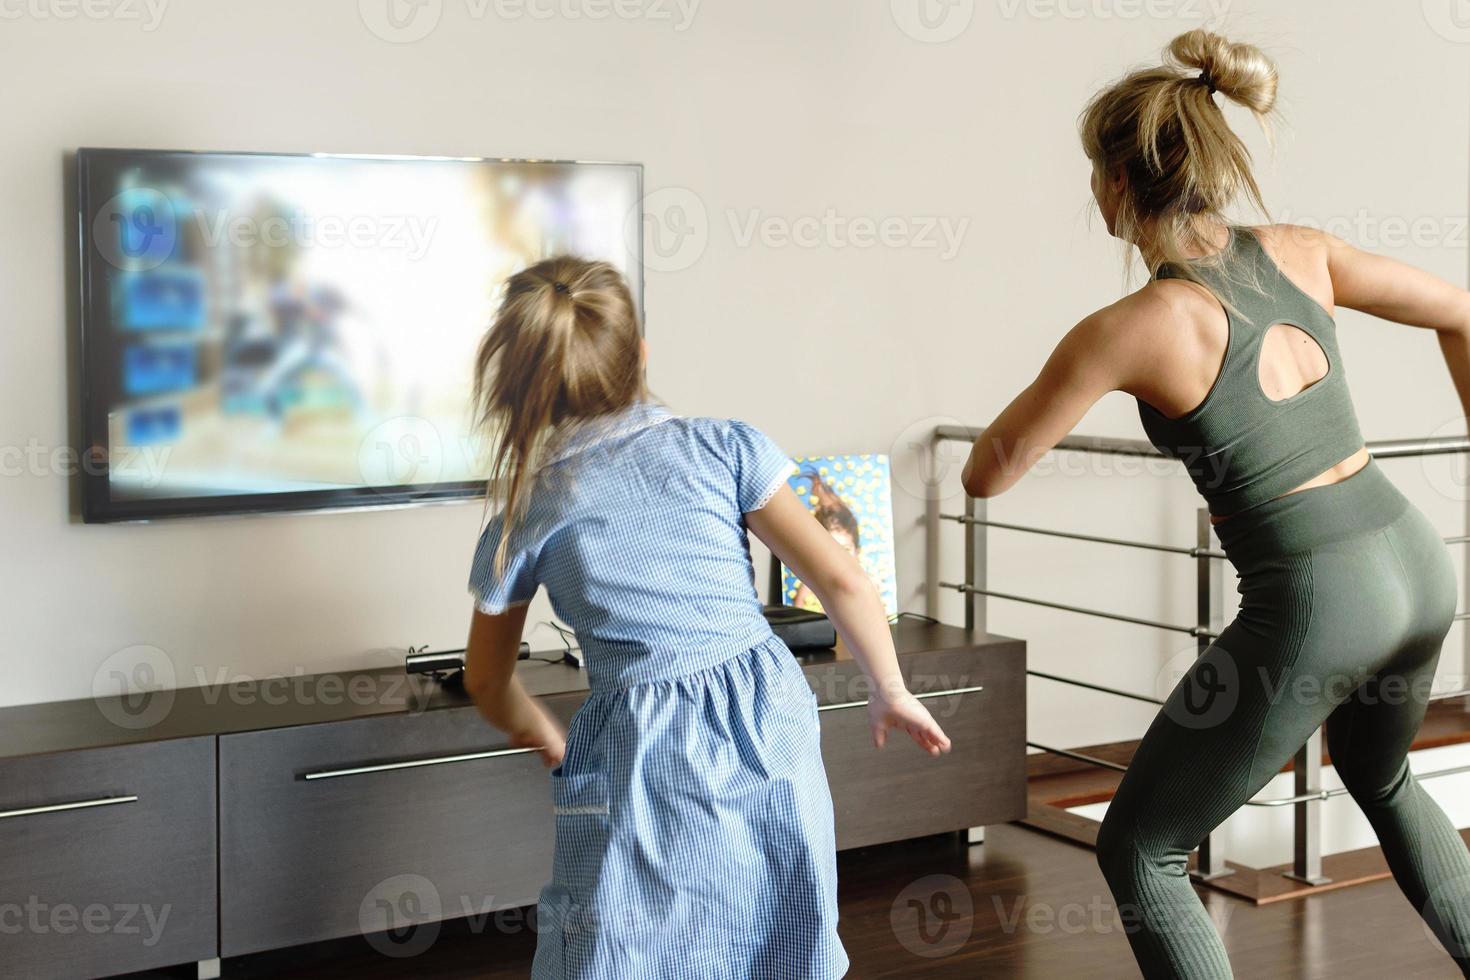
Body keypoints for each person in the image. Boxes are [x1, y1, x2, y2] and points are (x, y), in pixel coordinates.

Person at [962, 29, 1470, 978]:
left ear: (1121, 180)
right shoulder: (1303, 252)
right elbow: (1461, 310)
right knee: (1385, 774)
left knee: (1140, 849)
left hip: (1323, 596)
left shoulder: (1128, 329)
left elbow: (987, 474)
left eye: (1092, 173)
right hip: (1415, 555)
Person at [461, 256, 951, 979]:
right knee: (776, 910)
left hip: (640, 744)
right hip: (766, 711)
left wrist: (544, 736)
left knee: (621, 937)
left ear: (520, 384)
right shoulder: (725, 446)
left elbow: (485, 679)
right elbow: (843, 577)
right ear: (641, 357)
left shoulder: (526, 515)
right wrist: (890, 685)